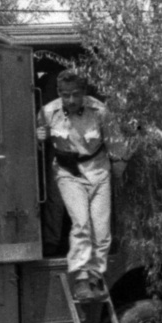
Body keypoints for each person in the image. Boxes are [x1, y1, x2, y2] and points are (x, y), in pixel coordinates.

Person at [37, 70, 115, 303]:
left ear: (84, 93)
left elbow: (114, 139)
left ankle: (95, 278)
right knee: (81, 223)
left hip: (98, 171)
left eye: (76, 95)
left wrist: (120, 162)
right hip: (67, 173)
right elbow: (36, 146)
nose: (71, 100)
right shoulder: (48, 112)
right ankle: (82, 280)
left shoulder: (99, 111)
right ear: (59, 93)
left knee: (101, 231)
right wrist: (38, 138)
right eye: (66, 95)